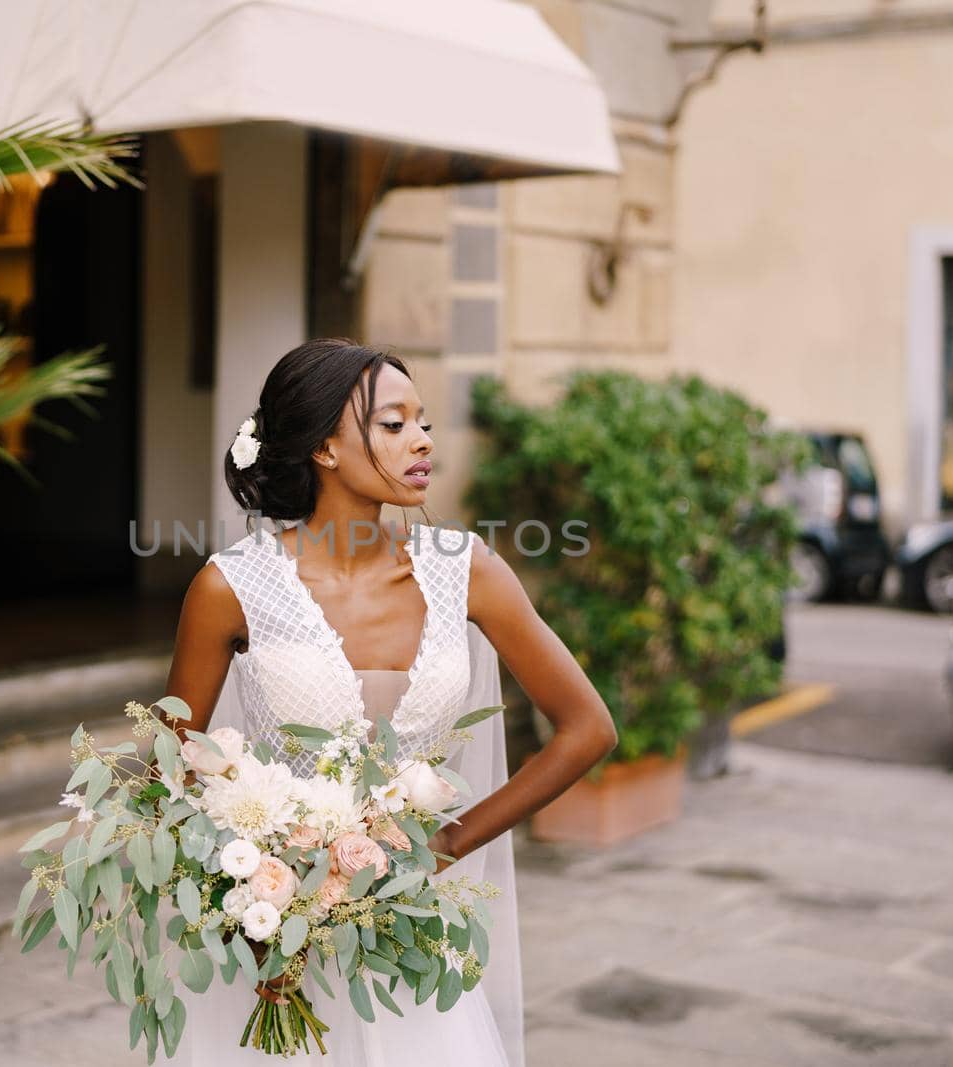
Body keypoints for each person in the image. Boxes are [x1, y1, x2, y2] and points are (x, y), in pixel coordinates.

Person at [162, 339, 617, 1066]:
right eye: (394, 424)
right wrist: (251, 880)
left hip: (412, 949)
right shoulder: (230, 588)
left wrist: (446, 846)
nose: (423, 440)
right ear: (325, 449)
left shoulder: (468, 571)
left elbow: (588, 728)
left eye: (424, 421)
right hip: (279, 954)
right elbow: (167, 769)